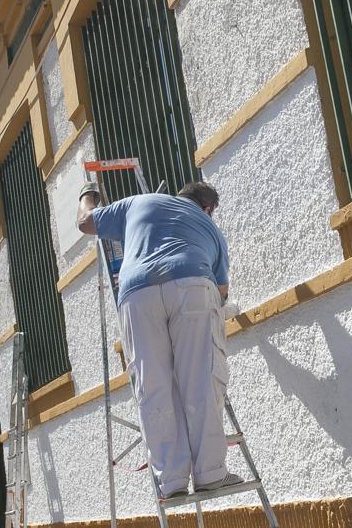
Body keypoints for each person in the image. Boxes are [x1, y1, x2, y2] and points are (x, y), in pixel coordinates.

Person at [77, 180, 239, 499]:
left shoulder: (139, 201)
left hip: (137, 294)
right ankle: (210, 473)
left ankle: (173, 481)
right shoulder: (209, 227)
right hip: (192, 283)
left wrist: (88, 195)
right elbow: (221, 294)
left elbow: (85, 222)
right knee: (202, 379)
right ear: (207, 208)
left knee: (152, 385)